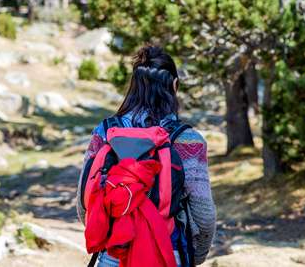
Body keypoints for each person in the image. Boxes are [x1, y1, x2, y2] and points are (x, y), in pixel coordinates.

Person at [76, 43, 216, 266]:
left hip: (113, 254)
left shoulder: (104, 133)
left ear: (133, 86)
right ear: (174, 84)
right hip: (167, 252)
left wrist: (111, 234)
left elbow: (85, 202)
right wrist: (195, 256)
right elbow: (203, 213)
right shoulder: (189, 140)